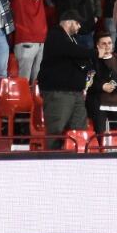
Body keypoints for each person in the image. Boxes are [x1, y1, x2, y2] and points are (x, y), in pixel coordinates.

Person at [40, 15, 93, 147]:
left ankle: (79, 162)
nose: (79, 27)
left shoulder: (73, 39)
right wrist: (93, 53)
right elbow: (71, 51)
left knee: (79, 131)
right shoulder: (56, 35)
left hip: (76, 93)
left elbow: (80, 58)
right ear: (69, 22)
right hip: (59, 93)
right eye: (77, 23)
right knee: (56, 131)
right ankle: (52, 162)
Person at [87, 31, 117, 138]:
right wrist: (101, 86)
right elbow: (87, 82)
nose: (107, 46)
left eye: (109, 43)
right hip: (99, 104)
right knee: (100, 137)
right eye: (104, 44)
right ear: (97, 45)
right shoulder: (92, 61)